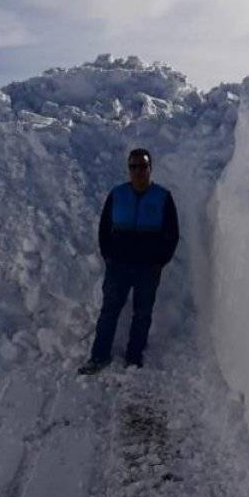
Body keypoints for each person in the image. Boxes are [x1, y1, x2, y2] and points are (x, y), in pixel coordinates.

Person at [78, 147, 179, 374]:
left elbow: (172, 233)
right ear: (128, 169)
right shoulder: (117, 194)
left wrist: (160, 261)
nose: (138, 171)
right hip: (118, 266)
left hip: (148, 268)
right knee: (109, 311)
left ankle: (134, 356)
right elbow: (104, 229)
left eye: (142, 166)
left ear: (150, 168)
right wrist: (109, 256)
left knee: (142, 313)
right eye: (133, 166)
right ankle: (99, 356)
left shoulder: (162, 197)